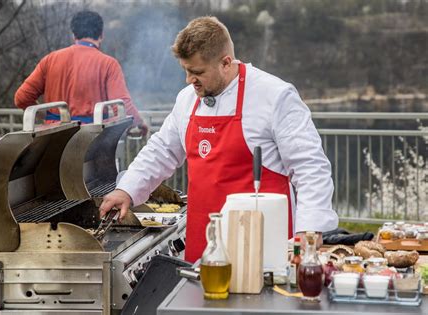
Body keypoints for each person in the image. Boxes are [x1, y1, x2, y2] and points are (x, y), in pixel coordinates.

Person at [99, 16, 338, 262]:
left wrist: (308, 230)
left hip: (264, 244)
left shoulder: (275, 96)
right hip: (205, 241)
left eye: (197, 72)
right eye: (186, 70)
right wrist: (126, 190)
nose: (189, 80)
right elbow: (161, 151)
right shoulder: (187, 99)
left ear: (226, 62)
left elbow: (310, 167)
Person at [14, 10, 148, 135]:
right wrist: (139, 123)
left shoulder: (50, 60)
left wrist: (47, 117)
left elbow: (22, 98)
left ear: (74, 35)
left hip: (53, 136)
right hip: (92, 137)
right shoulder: (108, 64)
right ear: (101, 36)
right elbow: (122, 106)